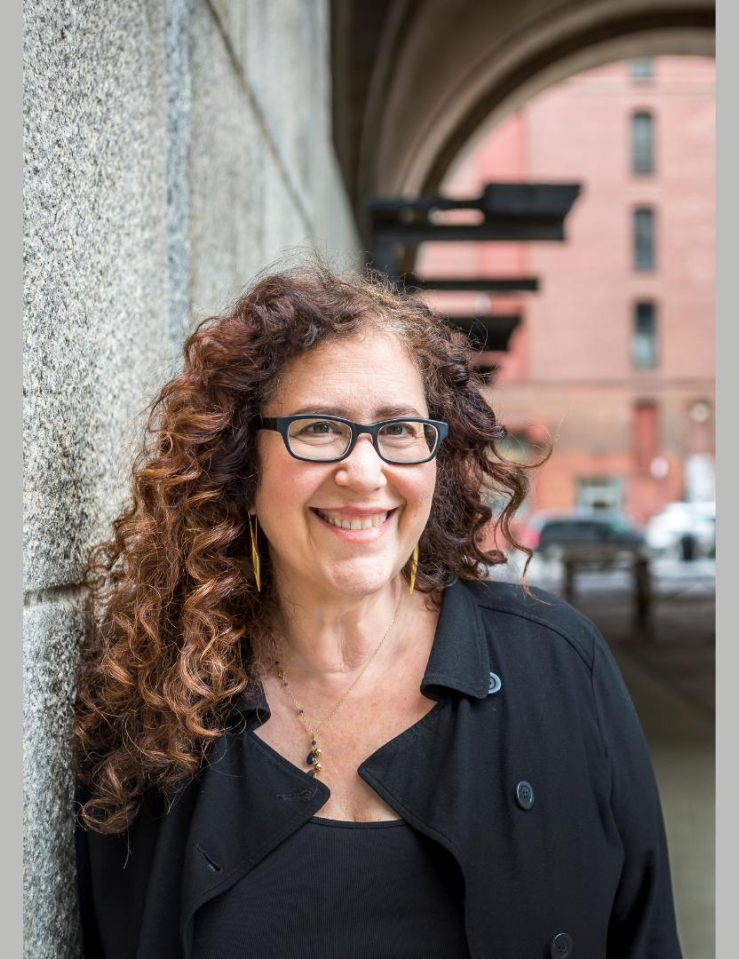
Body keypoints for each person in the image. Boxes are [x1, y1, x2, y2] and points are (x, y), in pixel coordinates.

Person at [73, 263, 682, 959]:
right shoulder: (155, 706)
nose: (364, 473)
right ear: (242, 466)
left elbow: (647, 939)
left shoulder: (558, 666)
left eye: (397, 430)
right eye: (319, 427)